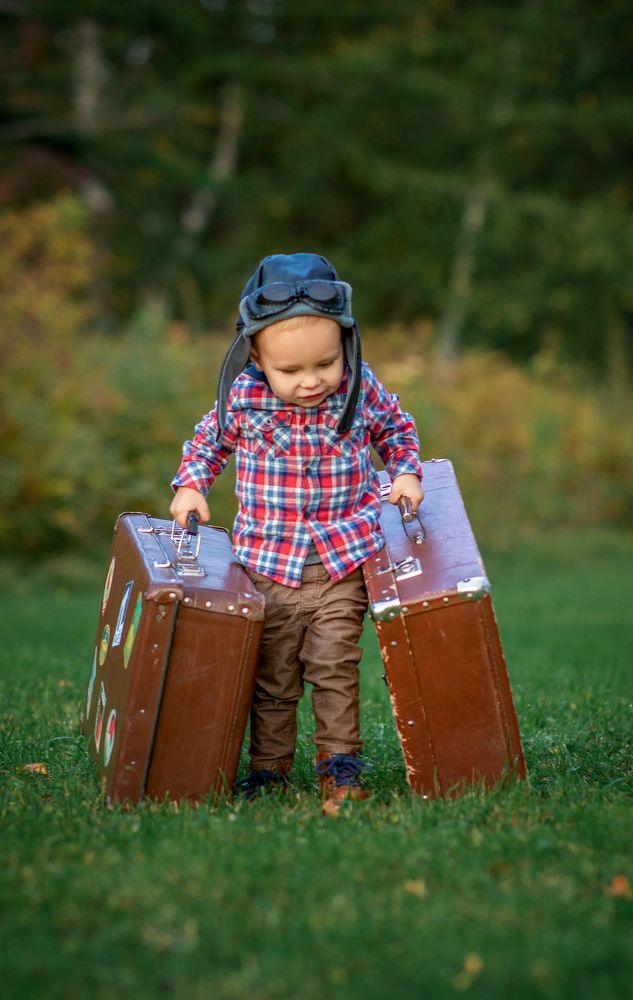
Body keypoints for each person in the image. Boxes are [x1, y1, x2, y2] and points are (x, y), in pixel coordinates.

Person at [170, 252, 423, 812]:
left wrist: (405, 472)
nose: (311, 381)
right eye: (290, 371)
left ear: (346, 345)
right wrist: (190, 486)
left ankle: (339, 767)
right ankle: (269, 770)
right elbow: (207, 444)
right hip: (268, 567)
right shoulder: (243, 397)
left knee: (334, 667)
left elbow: (397, 429)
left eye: (325, 363)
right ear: (255, 355)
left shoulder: (359, 387)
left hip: (343, 563)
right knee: (273, 676)